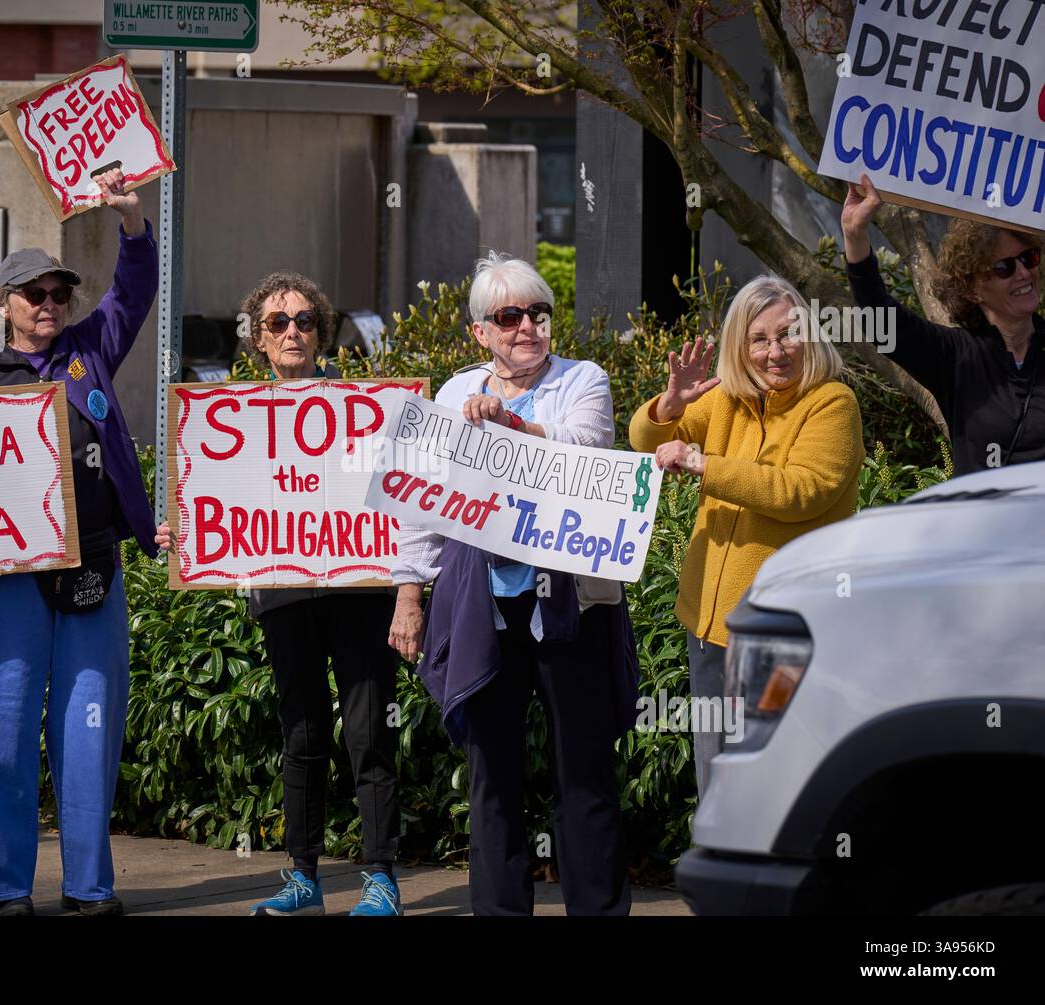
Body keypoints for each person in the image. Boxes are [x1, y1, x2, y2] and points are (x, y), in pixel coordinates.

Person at [0, 169, 158, 916]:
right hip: (5, 581)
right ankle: (5, 888)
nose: (50, 305)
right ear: (4, 304)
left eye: (59, 293)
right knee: (4, 732)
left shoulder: (91, 351)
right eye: (34, 294)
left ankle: (88, 886)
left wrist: (132, 221)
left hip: (92, 569)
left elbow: (135, 291)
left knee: (88, 733)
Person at [387, 251, 641, 916]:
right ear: (480, 332)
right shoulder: (450, 394)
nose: (528, 325)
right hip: (486, 605)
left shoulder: (585, 379)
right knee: (491, 776)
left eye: (539, 313)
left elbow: (590, 453)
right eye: (510, 315)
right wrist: (409, 594)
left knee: (583, 771)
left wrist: (512, 424)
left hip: (571, 604)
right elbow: (423, 501)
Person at [156, 271, 402, 916]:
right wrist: (185, 529)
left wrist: (408, 591)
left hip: (359, 591)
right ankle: (304, 877)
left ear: (320, 332)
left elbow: (400, 498)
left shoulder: (363, 408)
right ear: (258, 340)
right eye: (277, 323)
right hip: (284, 598)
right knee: (301, 733)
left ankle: (380, 877)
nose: (292, 331)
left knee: (369, 732)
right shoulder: (231, 419)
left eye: (304, 321)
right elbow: (217, 506)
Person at [628, 275, 864, 795]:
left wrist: (702, 463)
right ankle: (723, 874)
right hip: (710, 624)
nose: (775, 351)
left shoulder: (831, 402)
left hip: (786, 629)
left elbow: (804, 490)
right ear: (741, 346)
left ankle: (781, 875)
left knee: (777, 776)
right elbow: (644, 441)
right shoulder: (729, 399)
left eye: (788, 334)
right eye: (760, 339)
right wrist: (669, 407)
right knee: (717, 776)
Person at [842, 172, 1045, 475]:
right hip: (988, 522)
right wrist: (854, 234)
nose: (1023, 273)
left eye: (1028, 258)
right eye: (1004, 267)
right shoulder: (955, 357)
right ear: (971, 289)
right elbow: (879, 320)